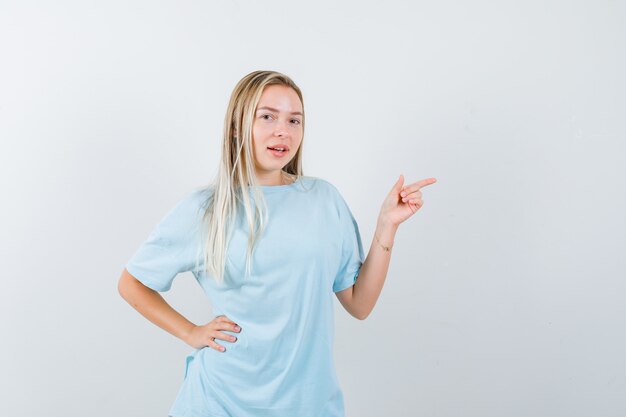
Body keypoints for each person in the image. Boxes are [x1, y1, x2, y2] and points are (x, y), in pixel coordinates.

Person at [118, 70, 437, 417]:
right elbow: (132, 283)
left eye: (294, 120)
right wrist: (190, 332)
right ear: (238, 126)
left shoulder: (323, 200)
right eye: (267, 116)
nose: (283, 130)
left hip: (308, 404)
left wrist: (386, 226)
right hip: (217, 402)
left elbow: (359, 304)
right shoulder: (206, 208)